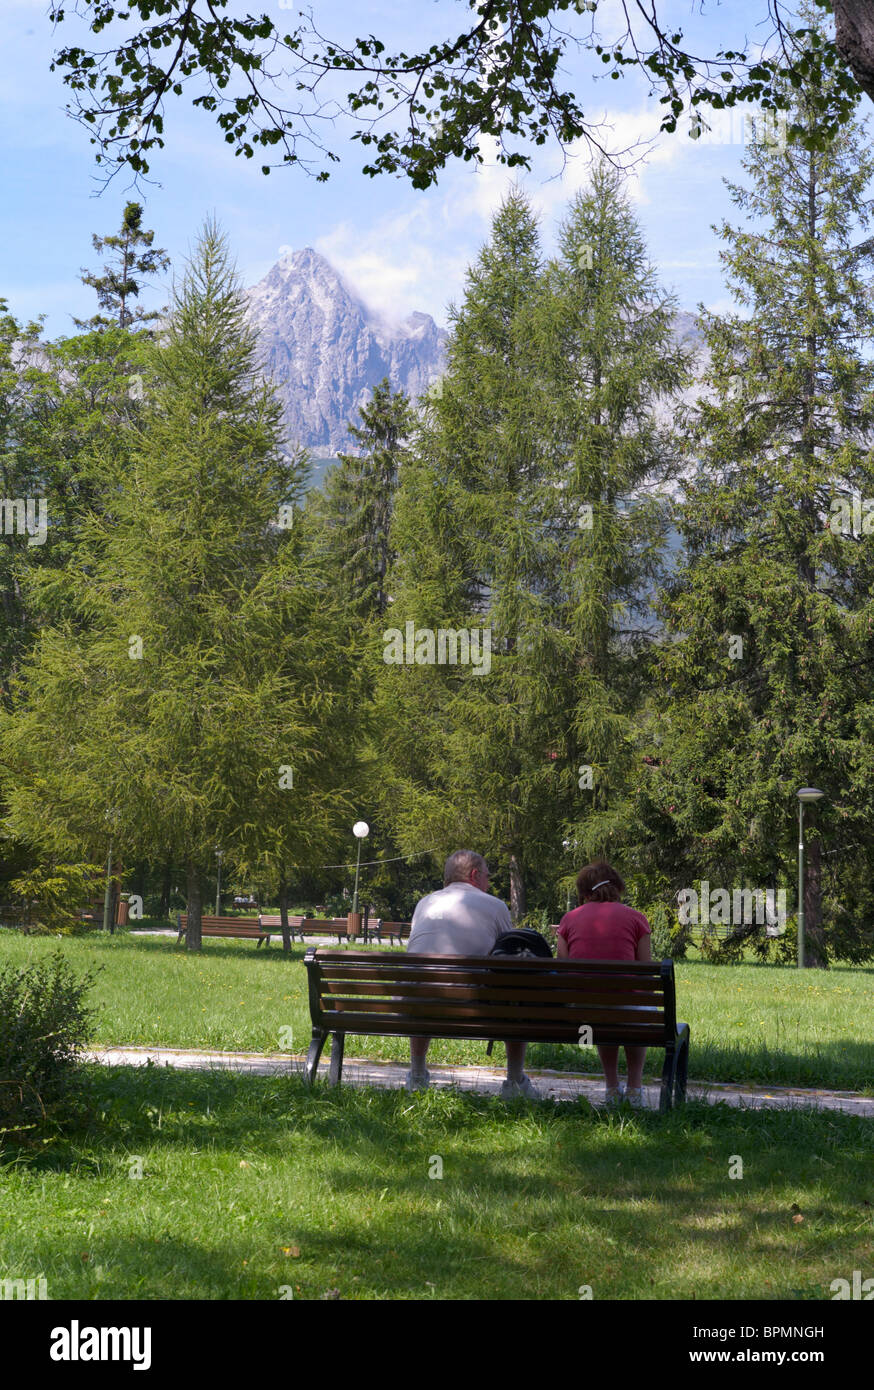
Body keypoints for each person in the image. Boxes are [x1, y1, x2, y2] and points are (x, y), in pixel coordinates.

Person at [405, 849, 538, 1099]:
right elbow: (508, 958)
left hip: (417, 1002)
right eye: (487, 876)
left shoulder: (425, 902)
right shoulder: (496, 906)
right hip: (472, 1004)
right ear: (475, 875)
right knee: (516, 991)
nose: (489, 882)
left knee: (423, 983)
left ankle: (418, 1075)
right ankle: (514, 1082)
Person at [557, 860, 652, 1107]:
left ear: (585, 892)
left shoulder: (568, 920)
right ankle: (634, 1089)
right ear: (617, 887)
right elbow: (645, 971)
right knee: (634, 1006)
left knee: (600, 1008)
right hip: (628, 1009)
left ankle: (611, 1088)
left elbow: (563, 969)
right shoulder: (636, 918)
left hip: (586, 1012)